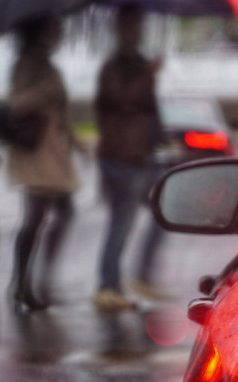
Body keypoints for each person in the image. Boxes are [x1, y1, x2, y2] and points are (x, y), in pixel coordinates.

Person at [93, 4, 165, 310]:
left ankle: (142, 275)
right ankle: (108, 286)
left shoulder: (137, 63)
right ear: (121, 29)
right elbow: (120, 100)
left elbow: (148, 108)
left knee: (167, 206)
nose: (137, 32)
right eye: (132, 25)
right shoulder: (114, 67)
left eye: (140, 25)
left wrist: (160, 135)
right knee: (120, 221)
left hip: (142, 155)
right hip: (121, 157)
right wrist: (147, 75)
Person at [8, 17, 80, 312]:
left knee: (54, 215)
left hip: (52, 153)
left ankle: (33, 282)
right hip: (36, 154)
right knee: (38, 217)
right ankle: (26, 283)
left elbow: (60, 113)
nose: (60, 31)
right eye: (53, 27)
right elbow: (16, 103)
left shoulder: (46, 64)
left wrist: (76, 142)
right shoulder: (27, 64)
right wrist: (44, 89)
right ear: (40, 31)